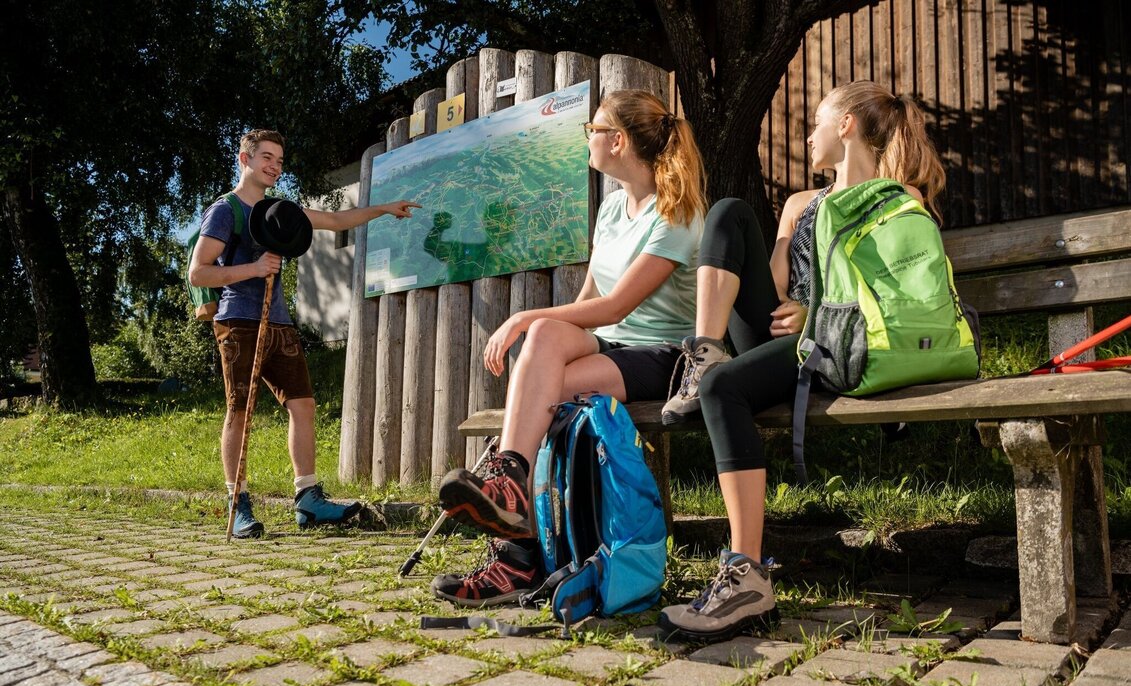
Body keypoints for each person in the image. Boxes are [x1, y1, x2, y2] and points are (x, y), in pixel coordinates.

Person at [658, 81, 946, 640]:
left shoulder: (897, 199)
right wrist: (784, 306)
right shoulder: (798, 204)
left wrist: (813, 316)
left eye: (817, 121)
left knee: (724, 391)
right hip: (783, 333)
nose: (808, 133)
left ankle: (747, 578)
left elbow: (904, 293)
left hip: (838, 339)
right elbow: (770, 287)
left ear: (846, 127)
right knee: (728, 212)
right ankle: (705, 352)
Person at [430, 90, 708, 606]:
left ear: (617, 141)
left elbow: (617, 306)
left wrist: (522, 317)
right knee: (545, 343)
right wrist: (544, 333)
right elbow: (588, 300)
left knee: (541, 388)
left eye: (593, 130)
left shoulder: (677, 214)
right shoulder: (612, 209)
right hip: (612, 345)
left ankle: (517, 558)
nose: (590, 139)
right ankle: (512, 483)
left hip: (663, 355)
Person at [188, 128, 420, 538]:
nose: (274, 166)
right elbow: (199, 270)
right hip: (238, 321)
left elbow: (333, 220)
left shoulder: (282, 208)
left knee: (303, 405)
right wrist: (255, 269)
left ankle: (307, 500)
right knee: (240, 410)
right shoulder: (225, 210)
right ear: (245, 159)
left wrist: (383, 208)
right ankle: (238, 501)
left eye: (279, 160)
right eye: (266, 157)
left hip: (279, 323)